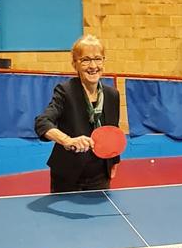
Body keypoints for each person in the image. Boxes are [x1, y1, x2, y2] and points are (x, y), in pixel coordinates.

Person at [35, 35, 121, 193]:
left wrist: (114, 160)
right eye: (85, 60)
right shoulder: (65, 91)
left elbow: (112, 130)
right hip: (67, 175)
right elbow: (42, 122)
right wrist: (67, 140)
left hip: (100, 175)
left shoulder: (112, 95)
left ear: (103, 61)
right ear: (75, 64)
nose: (93, 66)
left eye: (97, 59)